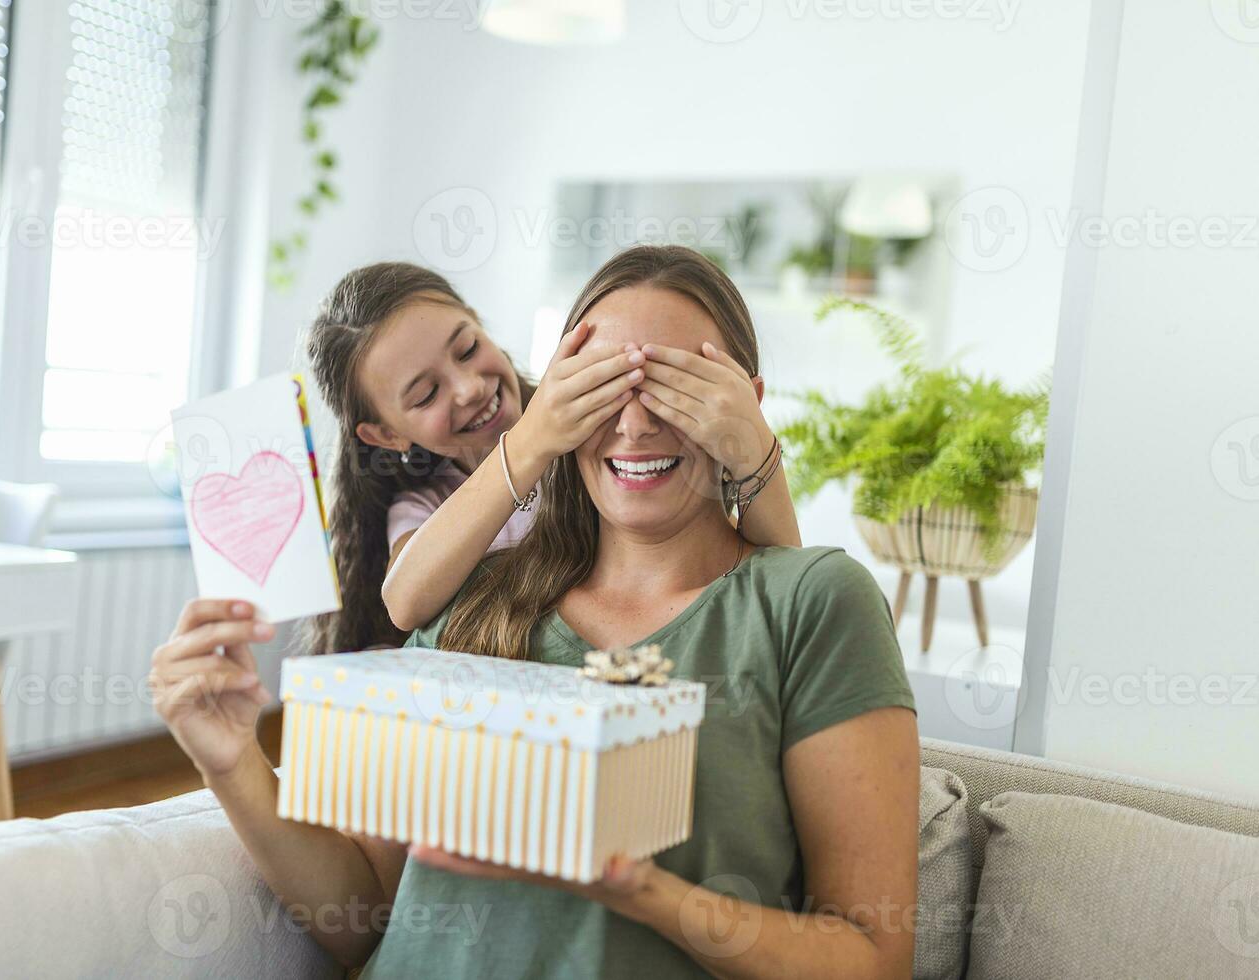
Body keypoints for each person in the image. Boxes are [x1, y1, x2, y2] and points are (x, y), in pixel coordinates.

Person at [150, 245, 919, 978]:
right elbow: (360, 919)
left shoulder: (815, 603)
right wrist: (232, 761)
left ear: (745, 405)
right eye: (601, 384)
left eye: (676, 385)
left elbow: (870, 959)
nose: (635, 422)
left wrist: (639, 890)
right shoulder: (467, 603)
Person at [302, 261, 801, 656]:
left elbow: (784, 584)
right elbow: (405, 601)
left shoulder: (595, 434)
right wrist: (531, 442)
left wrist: (750, 441)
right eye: (427, 393)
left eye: (468, 347)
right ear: (386, 434)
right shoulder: (426, 505)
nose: (470, 388)